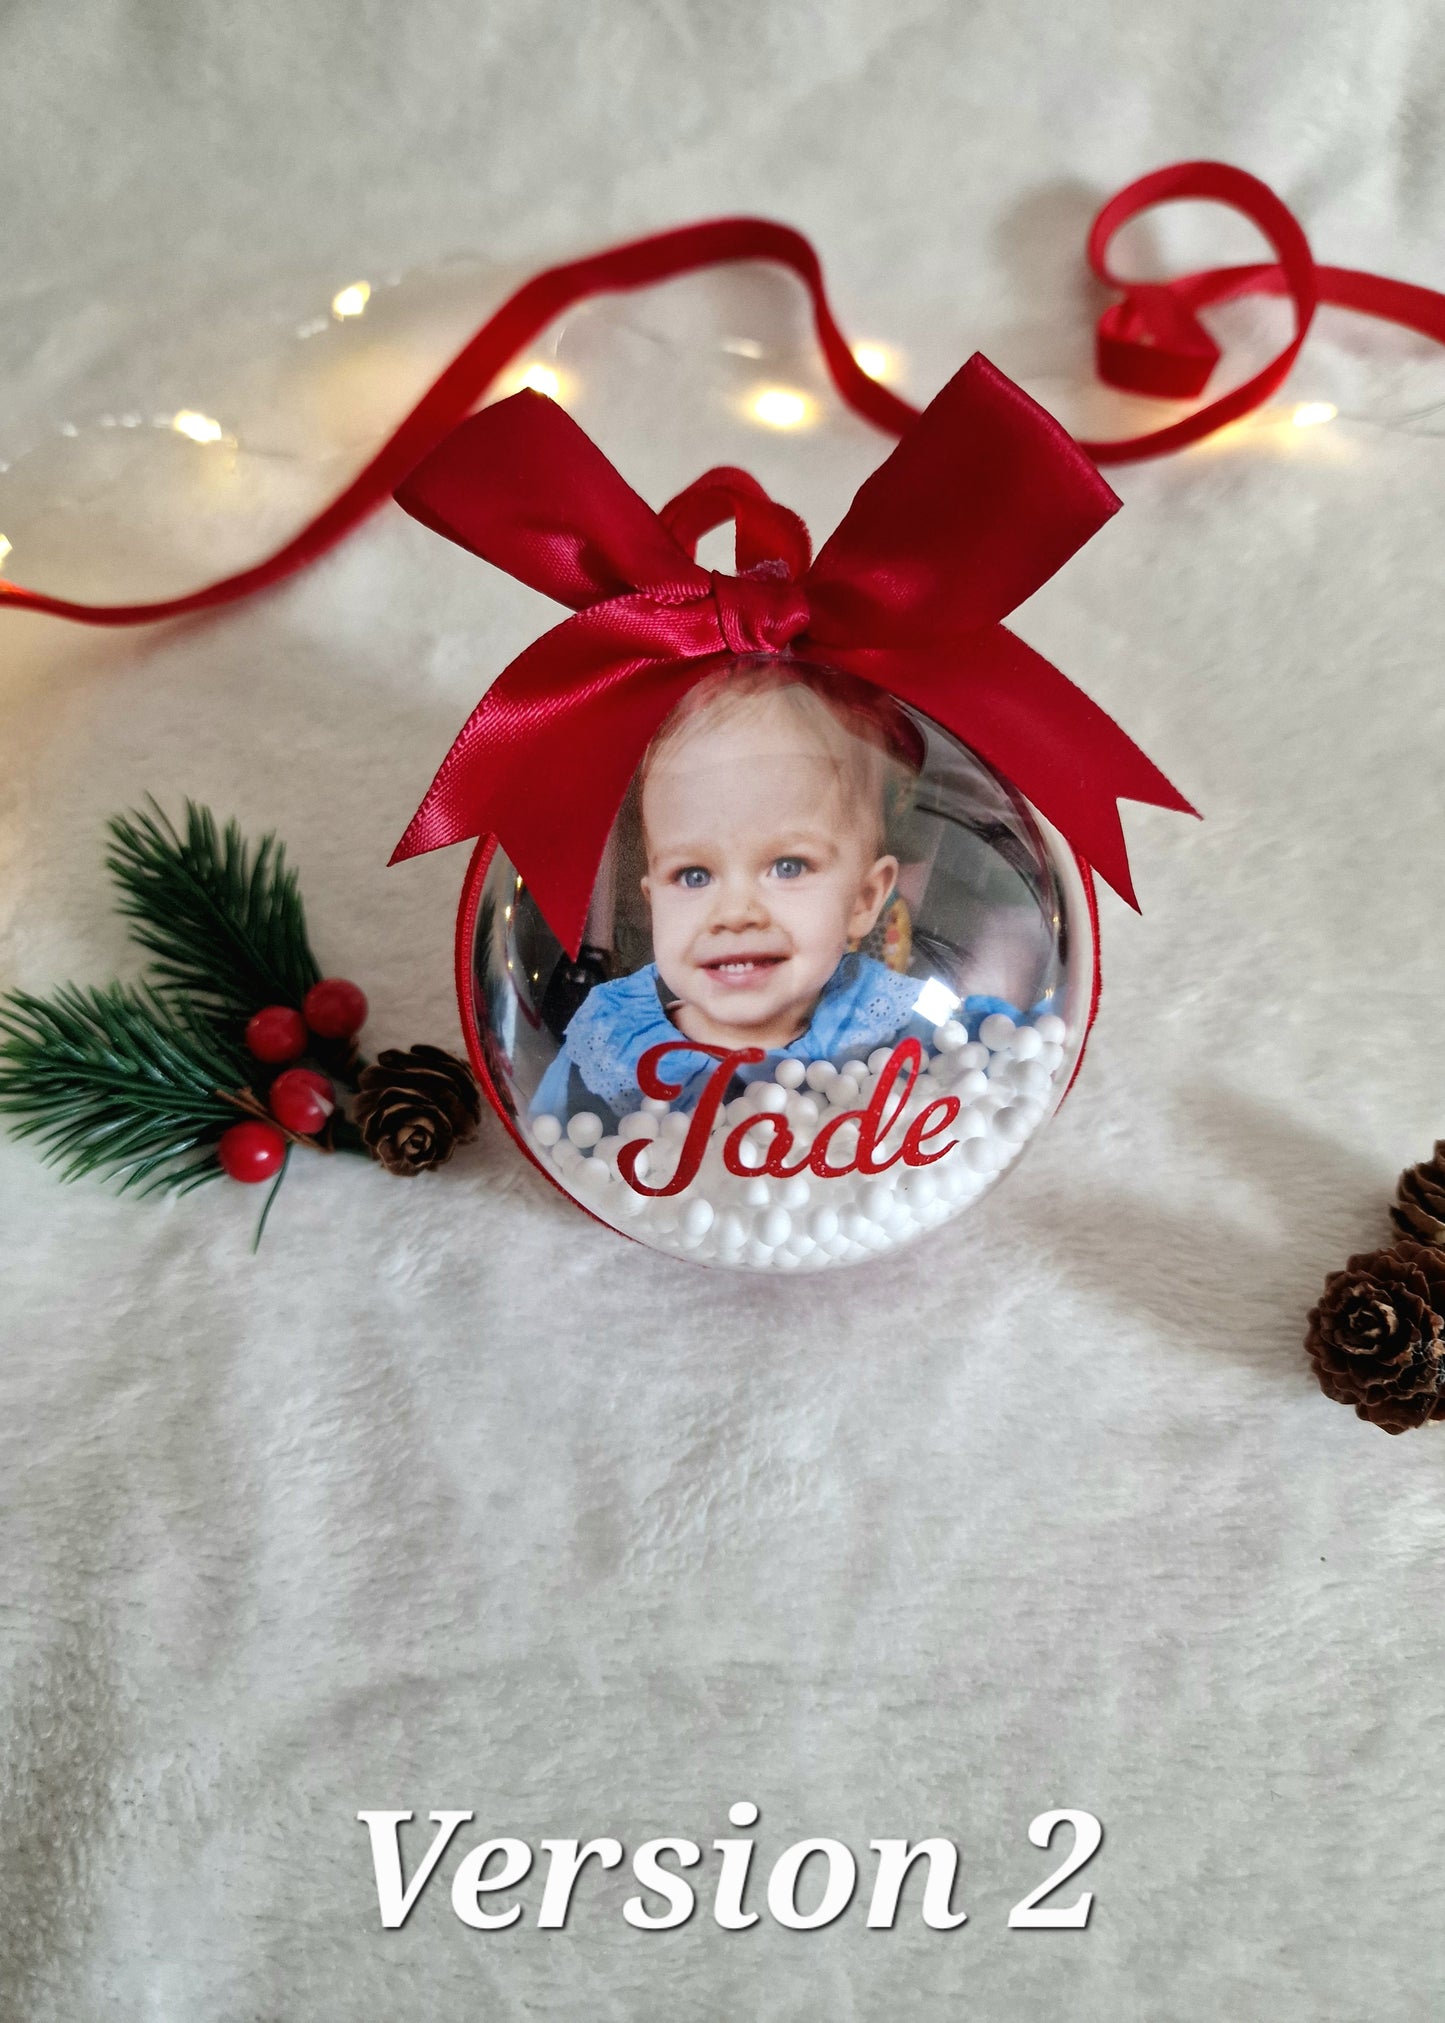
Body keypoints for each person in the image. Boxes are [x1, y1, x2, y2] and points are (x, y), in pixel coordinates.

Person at [532, 662, 947, 1125]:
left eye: (787, 867)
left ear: (864, 900)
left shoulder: (887, 1028)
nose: (734, 914)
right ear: (654, 905)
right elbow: (561, 1142)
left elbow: (998, 1060)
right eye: (693, 876)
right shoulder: (610, 1048)